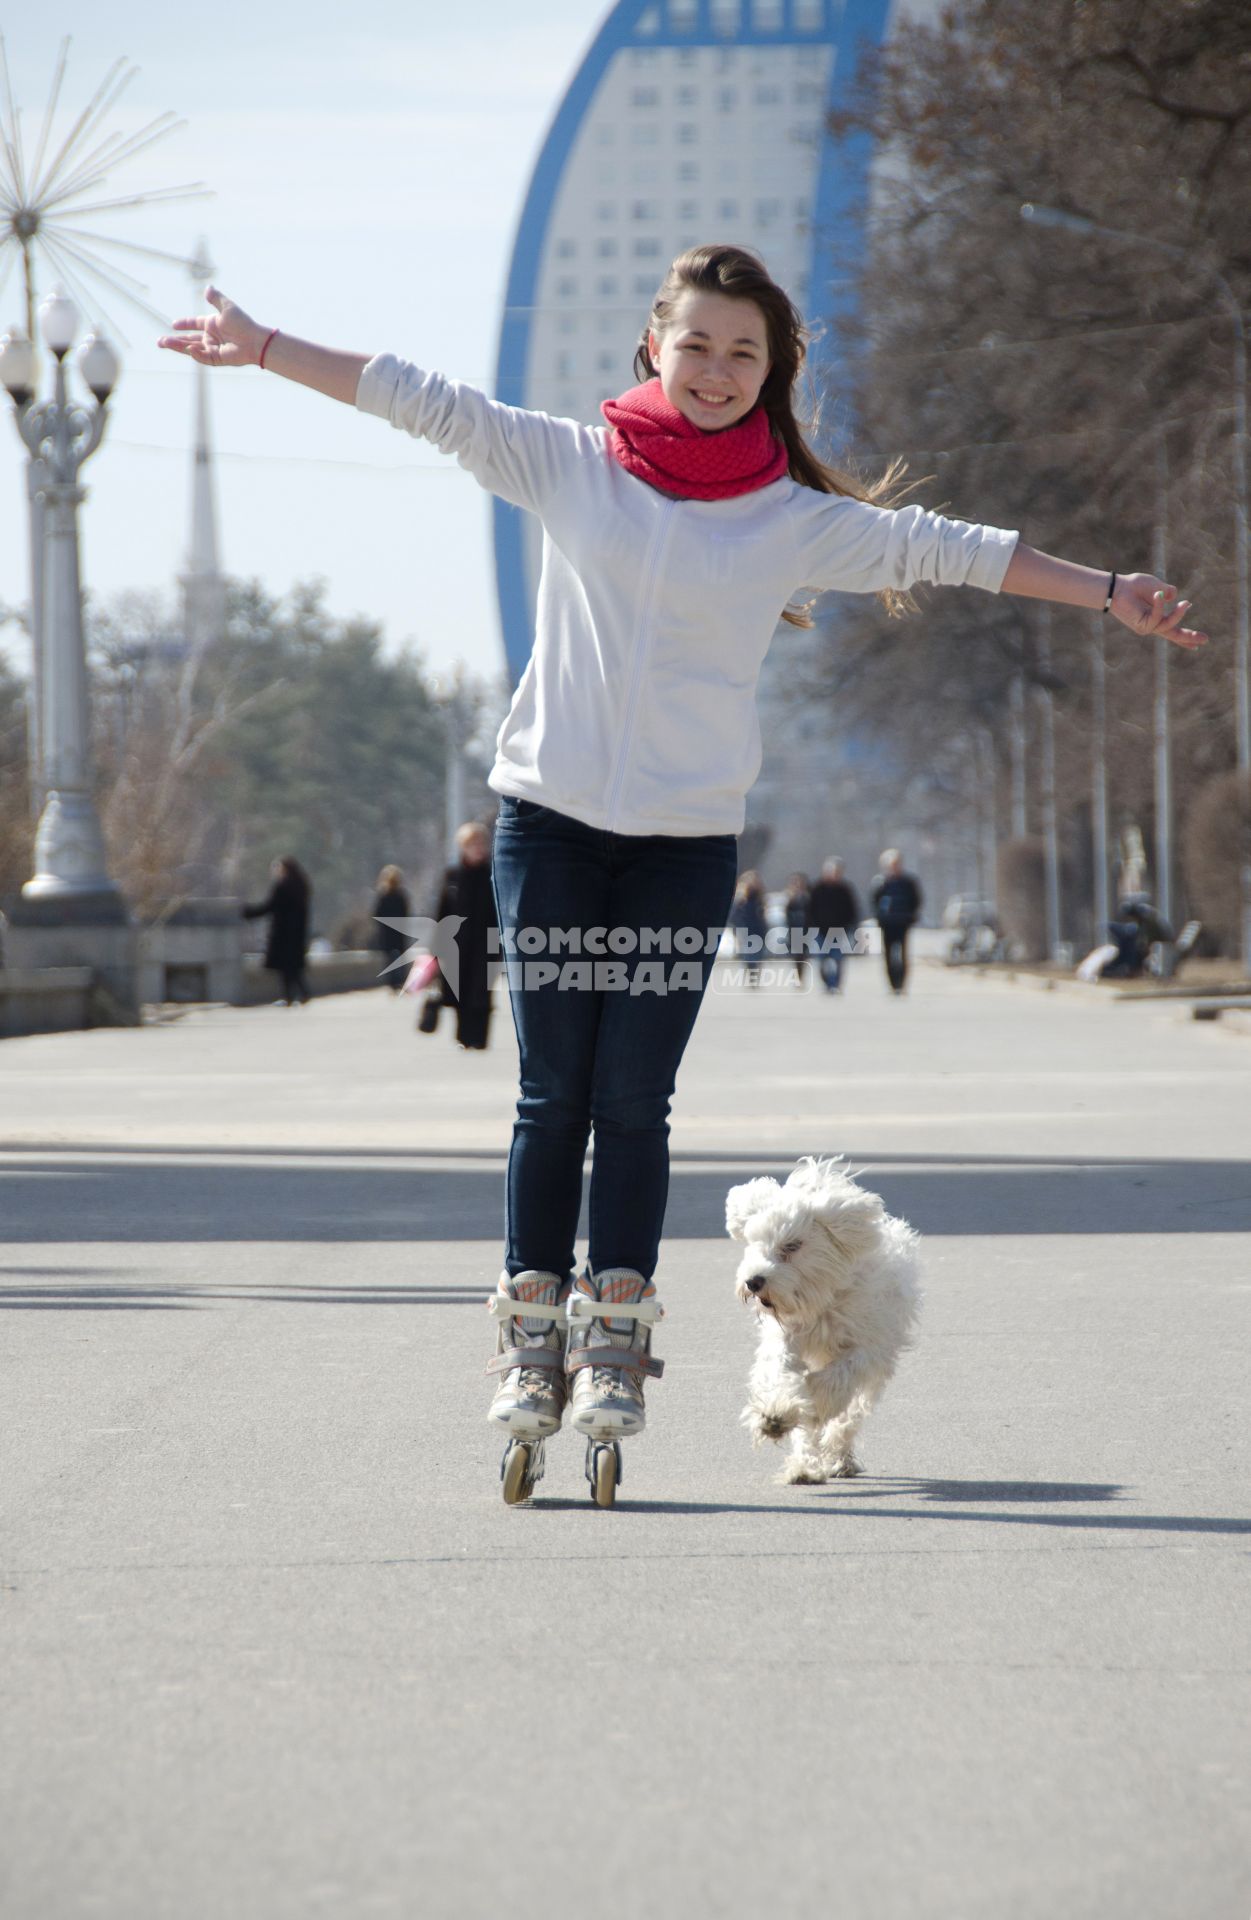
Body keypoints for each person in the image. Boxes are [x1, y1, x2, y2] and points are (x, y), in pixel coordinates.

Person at [161, 243, 1205, 1507]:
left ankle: (615, 1328)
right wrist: (267, 347)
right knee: (555, 1089)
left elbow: (947, 548)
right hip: (547, 826)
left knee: (634, 1095)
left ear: (772, 375)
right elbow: (414, 394)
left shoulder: (793, 521)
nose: (716, 370)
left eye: (743, 353)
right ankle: (532, 1314)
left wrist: (1109, 592)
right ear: (654, 345)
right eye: (697, 344)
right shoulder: (566, 463)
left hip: (681, 851)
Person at [434, 822, 498, 1050]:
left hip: (486, 944)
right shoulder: (453, 876)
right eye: (472, 844)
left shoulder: (493, 874)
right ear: (463, 847)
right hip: (457, 945)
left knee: (481, 991)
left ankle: (480, 1037)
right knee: (458, 990)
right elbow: (442, 912)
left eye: (480, 843)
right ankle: (462, 1036)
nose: (477, 848)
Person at [242, 856, 311, 1006]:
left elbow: (269, 907)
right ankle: (302, 994)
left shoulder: (282, 886)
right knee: (294, 969)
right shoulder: (302, 886)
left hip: (283, 934)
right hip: (297, 934)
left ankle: (289, 997)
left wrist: (247, 912)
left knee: (286, 969)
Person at [872, 849, 923, 995]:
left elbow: (916, 899)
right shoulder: (881, 883)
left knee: (903, 953)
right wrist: (879, 917)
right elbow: (874, 901)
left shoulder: (908, 882)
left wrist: (911, 914)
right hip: (887, 924)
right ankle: (892, 983)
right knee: (888, 954)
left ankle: (902, 982)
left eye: (897, 864)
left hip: (903, 922)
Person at [807, 857, 861, 993]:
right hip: (820, 931)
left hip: (839, 931)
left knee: (838, 959)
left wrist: (851, 926)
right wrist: (811, 926)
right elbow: (809, 909)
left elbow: (852, 910)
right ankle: (827, 983)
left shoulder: (845, 890)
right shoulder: (817, 889)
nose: (834, 874)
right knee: (822, 960)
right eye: (831, 871)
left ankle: (835, 984)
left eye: (837, 872)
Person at [372, 864, 411, 990]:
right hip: (399, 930)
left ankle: (393, 982)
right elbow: (406, 913)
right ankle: (401, 980)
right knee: (400, 956)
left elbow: (377, 914)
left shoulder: (383, 896)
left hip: (387, 932)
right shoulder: (401, 896)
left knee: (389, 957)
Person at [728, 870, 769, 987]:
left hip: (758, 930)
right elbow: (735, 915)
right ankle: (751, 976)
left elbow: (764, 914)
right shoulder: (741, 898)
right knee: (748, 955)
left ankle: (755, 976)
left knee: (758, 955)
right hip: (745, 930)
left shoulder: (760, 898)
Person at [783, 872, 811, 988]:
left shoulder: (807, 897)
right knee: (796, 956)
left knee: (802, 956)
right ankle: (797, 977)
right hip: (794, 931)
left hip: (805, 931)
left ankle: (801, 977)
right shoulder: (790, 898)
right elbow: (787, 915)